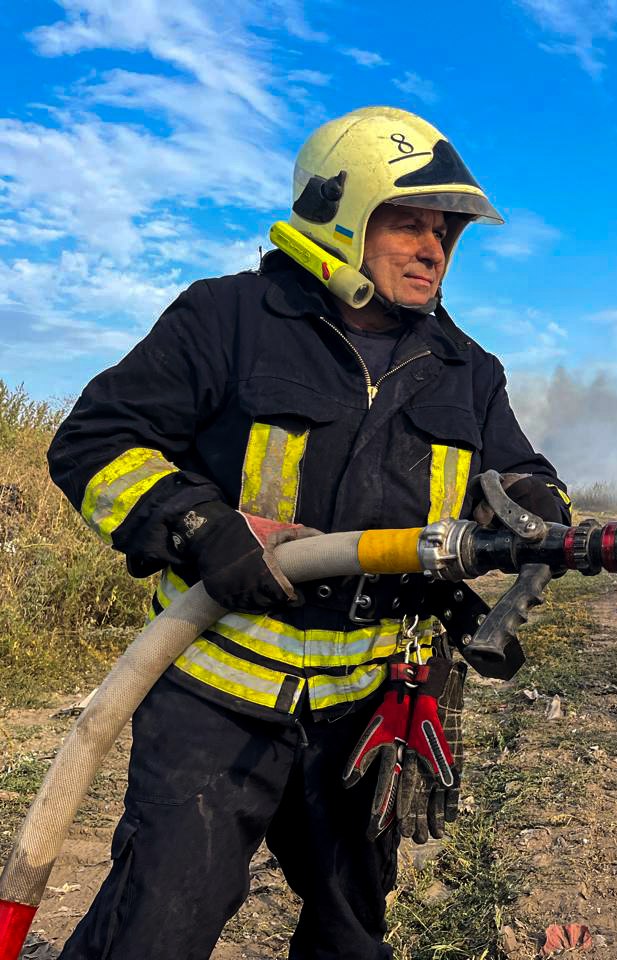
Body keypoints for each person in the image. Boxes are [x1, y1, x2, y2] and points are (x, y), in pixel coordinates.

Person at [46, 105, 571, 960]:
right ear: (341, 215)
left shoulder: (467, 370)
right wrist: (199, 525)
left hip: (366, 711)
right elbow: (94, 444)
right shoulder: (226, 321)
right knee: (156, 930)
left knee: (351, 940)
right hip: (217, 702)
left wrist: (534, 501)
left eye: (443, 230)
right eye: (407, 223)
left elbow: (518, 471)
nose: (433, 248)